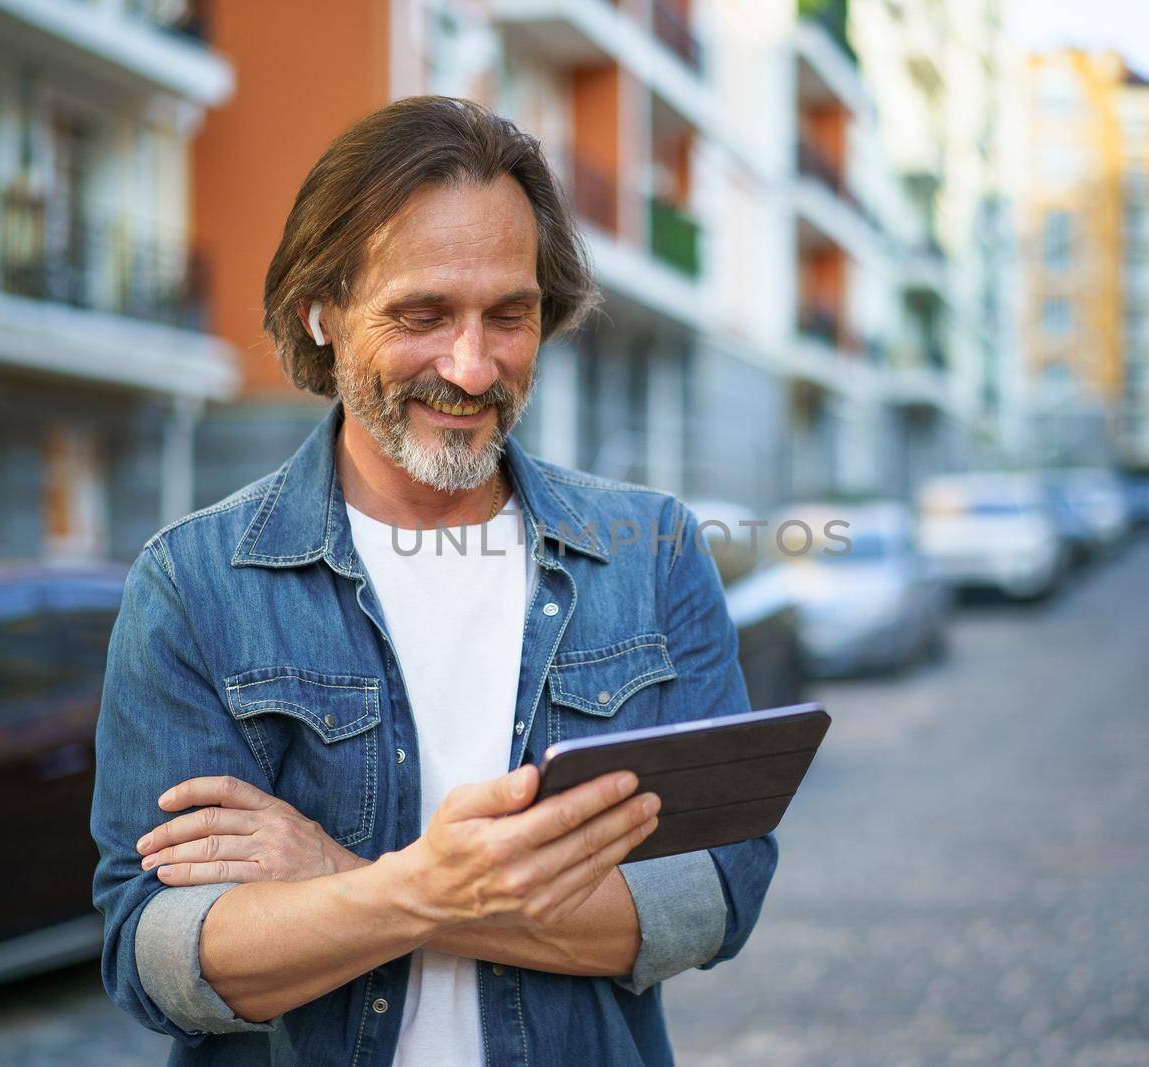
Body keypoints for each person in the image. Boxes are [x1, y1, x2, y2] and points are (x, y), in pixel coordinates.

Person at [90, 95, 777, 1066]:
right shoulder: (195, 583)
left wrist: (353, 880)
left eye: (510, 314)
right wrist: (431, 887)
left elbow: (714, 893)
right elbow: (158, 955)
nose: (470, 363)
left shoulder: (652, 552)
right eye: (421, 314)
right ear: (318, 314)